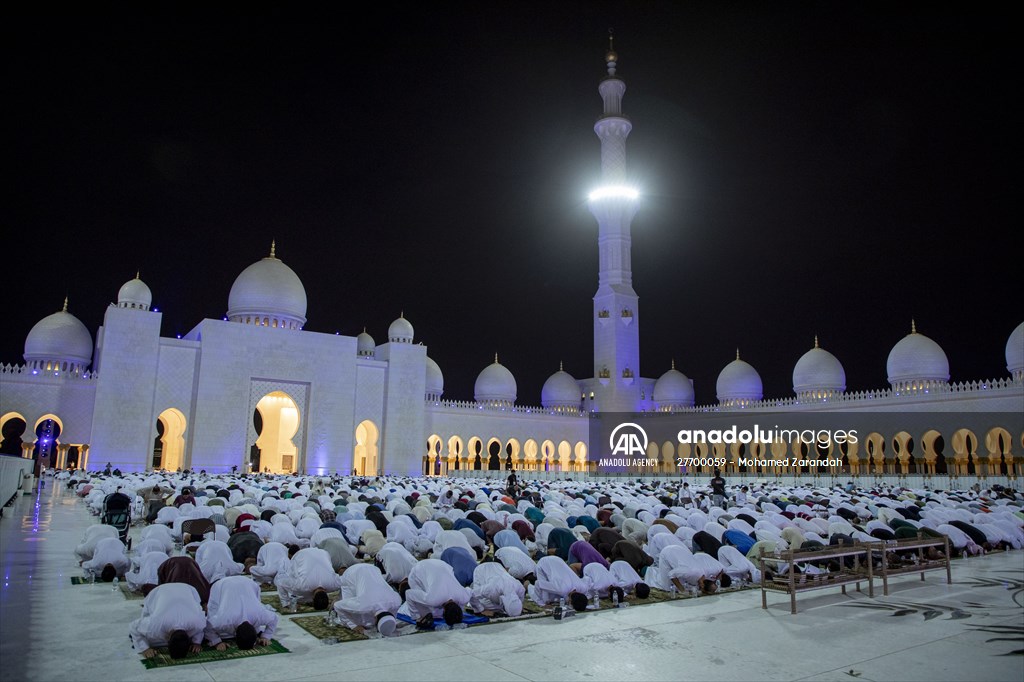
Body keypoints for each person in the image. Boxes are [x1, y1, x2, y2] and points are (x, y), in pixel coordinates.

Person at [129, 582, 206, 659]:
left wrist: (197, 643)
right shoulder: (155, 624)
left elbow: (200, 629)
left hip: (188, 589)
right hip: (158, 592)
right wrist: (144, 648)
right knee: (148, 636)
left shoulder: (197, 623)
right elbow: (134, 626)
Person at [204, 575, 278, 650]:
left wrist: (265, 636)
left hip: (249, 583)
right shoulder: (225, 620)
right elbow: (207, 625)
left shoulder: (259, 615)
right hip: (222, 585)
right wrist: (216, 642)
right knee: (213, 611)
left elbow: (274, 619)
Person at [398, 558, 472, 628]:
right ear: (444, 611)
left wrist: (478, 610)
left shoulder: (464, 597)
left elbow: (470, 590)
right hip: (419, 569)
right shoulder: (432, 599)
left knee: (433, 608)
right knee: (425, 612)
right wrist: (416, 617)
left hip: (442, 564)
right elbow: (408, 593)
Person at [332, 563, 401, 636]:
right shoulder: (362, 606)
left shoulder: (396, 602)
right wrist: (353, 626)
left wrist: (390, 625)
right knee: (350, 614)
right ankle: (339, 598)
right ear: (375, 618)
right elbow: (337, 605)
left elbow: (392, 616)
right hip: (351, 573)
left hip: (373, 569)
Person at [275, 547, 343, 609]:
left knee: (300, 593)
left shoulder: (334, 584)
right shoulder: (301, 586)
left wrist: (339, 599)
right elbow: (280, 582)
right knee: (294, 592)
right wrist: (286, 603)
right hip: (299, 555)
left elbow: (346, 582)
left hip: (323, 553)